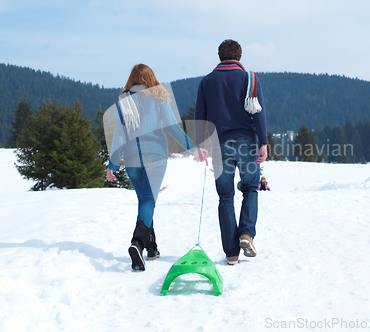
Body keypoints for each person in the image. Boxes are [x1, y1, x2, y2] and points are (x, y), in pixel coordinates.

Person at [105, 64, 206, 271]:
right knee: (149, 200)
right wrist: (194, 148)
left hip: (132, 159)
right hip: (156, 156)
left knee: (144, 201)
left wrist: (112, 164)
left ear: (132, 79)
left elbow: (119, 136)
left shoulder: (125, 101)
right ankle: (138, 243)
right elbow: (173, 128)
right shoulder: (159, 97)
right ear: (151, 78)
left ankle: (152, 247)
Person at [195, 39, 268, 265]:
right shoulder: (250, 79)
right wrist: (263, 142)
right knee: (250, 188)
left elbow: (200, 115)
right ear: (239, 56)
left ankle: (231, 253)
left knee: (225, 197)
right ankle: (246, 234)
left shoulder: (207, 81)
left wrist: (199, 144)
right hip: (247, 143)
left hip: (219, 146)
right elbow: (259, 114)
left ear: (219, 56)